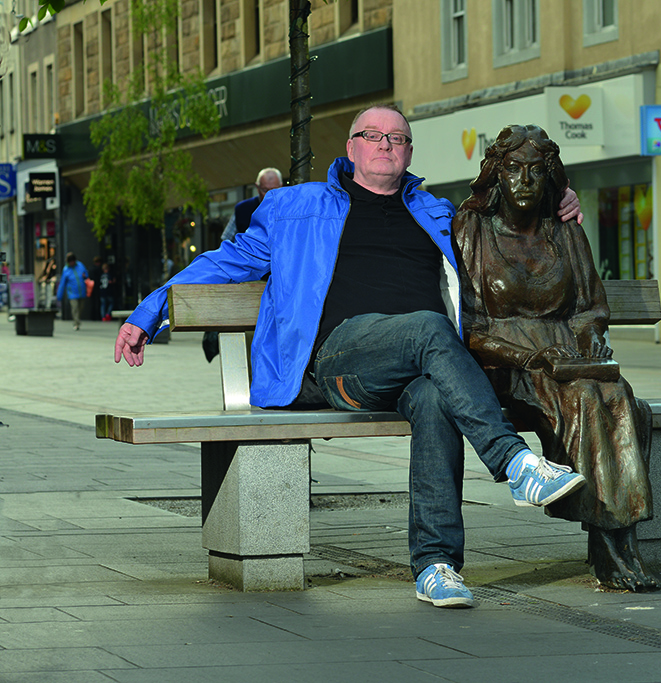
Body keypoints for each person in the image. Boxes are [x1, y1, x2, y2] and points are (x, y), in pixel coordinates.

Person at [114, 104, 586, 609]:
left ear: (409, 152)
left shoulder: (439, 214)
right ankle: (515, 462)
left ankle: (435, 564)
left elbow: (511, 231)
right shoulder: (295, 208)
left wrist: (558, 203)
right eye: (373, 135)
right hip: (336, 363)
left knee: (433, 398)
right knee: (427, 327)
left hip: (415, 366)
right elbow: (221, 263)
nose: (386, 144)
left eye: (397, 138)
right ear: (351, 148)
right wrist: (147, 312)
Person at [453, 125, 660, 592]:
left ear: (551, 178)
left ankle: (622, 539)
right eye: (512, 169)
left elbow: (591, 307)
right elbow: (470, 326)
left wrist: (587, 335)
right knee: (587, 398)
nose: (524, 181)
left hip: (566, 356)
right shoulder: (473, 231)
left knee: (621, 397)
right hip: (507, 363)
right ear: (496, 174)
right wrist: (532, 357)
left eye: (535, 171)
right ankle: (609, 545)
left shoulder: (564, 232)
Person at [220, 167, 284, 243]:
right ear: (257, 187)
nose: (269, 195)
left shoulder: (289, 208)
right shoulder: (242, 209)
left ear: (281, 187)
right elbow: (227, 240)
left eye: (274, 190)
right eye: (265, 190)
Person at [55, 251, 91, 331]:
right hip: (72, 293)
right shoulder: (66, 270)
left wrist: (86, 276)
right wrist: (59, 295)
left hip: (81, 291)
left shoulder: (80, 265)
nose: (72, 263)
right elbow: (62, 283)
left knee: (81, 307)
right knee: (74, 308)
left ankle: (77, 320)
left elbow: (86, 274)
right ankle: (76, 323)